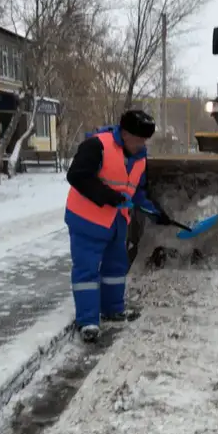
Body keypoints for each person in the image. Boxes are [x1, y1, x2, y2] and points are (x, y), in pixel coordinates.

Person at [65, 110, 172, 343]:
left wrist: (156, 212)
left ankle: (113, 309)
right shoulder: (97, 145)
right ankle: (88, 321)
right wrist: (109, 196)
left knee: (115, 268)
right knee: (87, 271)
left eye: (145, 140)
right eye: (139, 139)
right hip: (87, 220)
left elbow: (138, 192)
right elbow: (77, 176)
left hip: (116, 223)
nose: (142, 144)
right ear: (124, 133)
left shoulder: (140, 158)